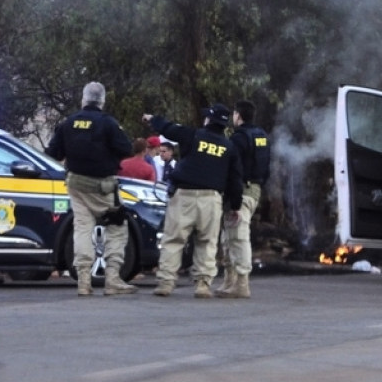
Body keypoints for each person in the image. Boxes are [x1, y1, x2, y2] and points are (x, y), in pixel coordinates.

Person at [46, 81, 139, 297]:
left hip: (76, 184)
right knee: (117, 227)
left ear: (83, 99)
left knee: (82, 229)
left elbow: (53, 153)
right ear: (102, 101)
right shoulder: (108, 123)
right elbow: (126, 149)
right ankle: (113, 278)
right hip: (103, 188)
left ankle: (84, 281)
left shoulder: (68, 122)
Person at [143, 104, 243, 298]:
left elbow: (169, 128)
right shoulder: (229, 147)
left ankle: (166, 283)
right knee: (207, 242)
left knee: (173, 240)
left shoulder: (193, 135)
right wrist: (235, 206)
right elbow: (235, 180)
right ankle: (203, 284)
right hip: (211, 200)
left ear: (208, 121)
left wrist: (152, 118)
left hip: (184, 196)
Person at [215, 99, 270, 298]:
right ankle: (229, 281)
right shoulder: (262, 136)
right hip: (254, 189)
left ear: (238, 115)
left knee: (238, 236)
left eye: (234, 114)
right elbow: (266, 167)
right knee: (229, 236)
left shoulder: (239, 138)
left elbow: (233, 169)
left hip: (241, 190)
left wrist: (233, 196)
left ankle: (241, 283)